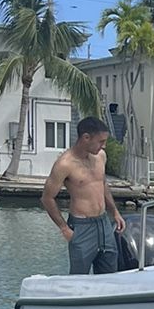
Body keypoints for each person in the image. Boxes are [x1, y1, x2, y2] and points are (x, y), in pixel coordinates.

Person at [41, 116, 125, 274]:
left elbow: (103, 184)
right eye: (100, 141)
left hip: (103, 223)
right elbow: (47, 198)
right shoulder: (65, 164)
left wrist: (114, 212)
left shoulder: (100, 156)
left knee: (110, 275)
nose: (103, 145)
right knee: (78, 279)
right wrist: (64, 228)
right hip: (81, 226)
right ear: (86, 138)